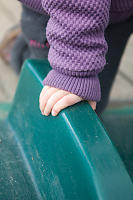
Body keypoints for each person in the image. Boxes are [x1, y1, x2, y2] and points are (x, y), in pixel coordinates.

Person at [17, 0, 133, 117]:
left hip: (115, 14)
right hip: (59, 12)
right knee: (53, 102)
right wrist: (74, 70)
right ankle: (22, 49)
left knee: (91, 105)